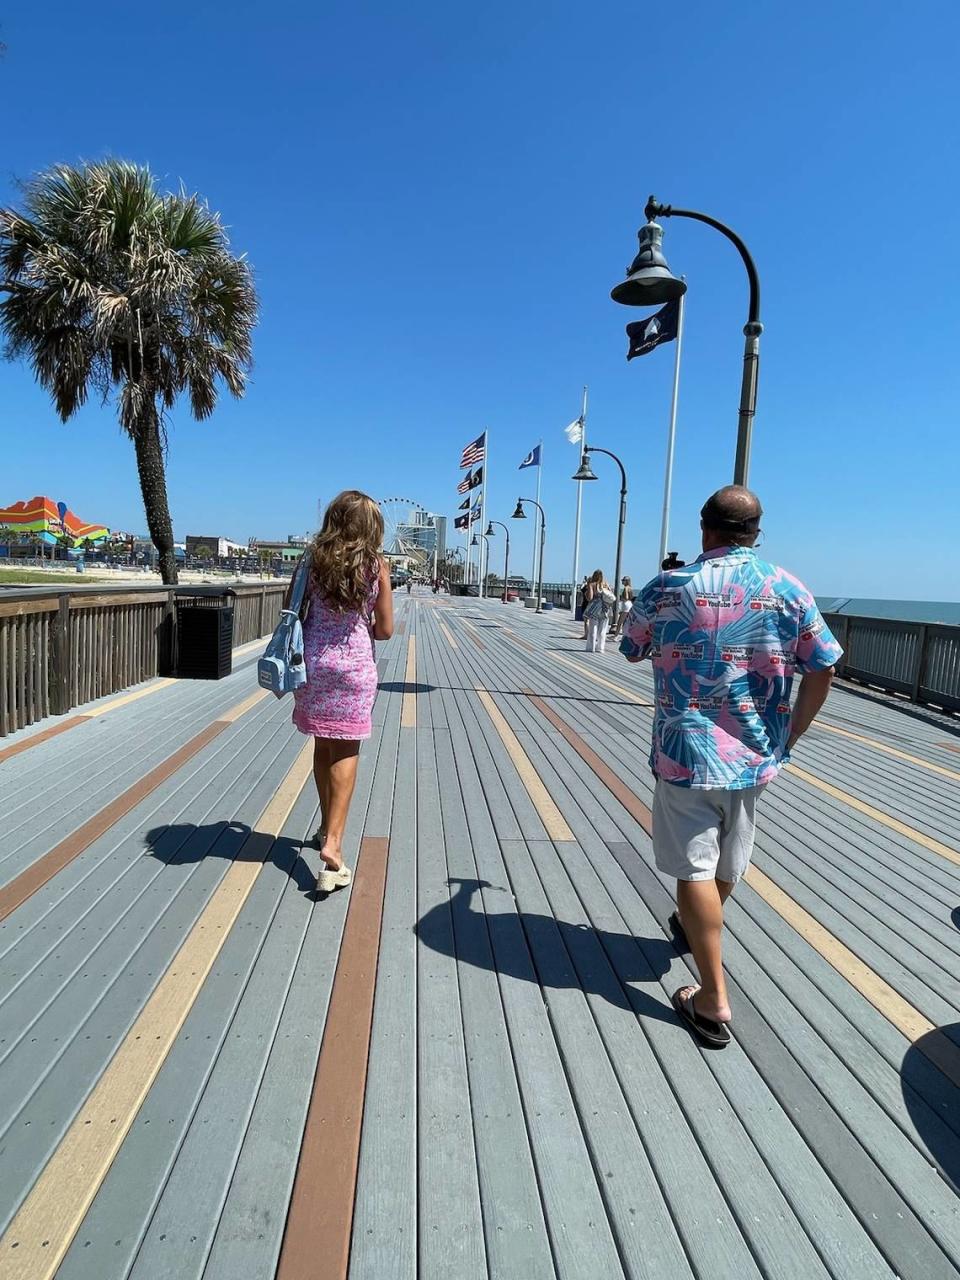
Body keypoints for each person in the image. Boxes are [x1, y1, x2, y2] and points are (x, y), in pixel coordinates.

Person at [620, 486, 841, 1047]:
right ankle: (699, 924)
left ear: (704, 528)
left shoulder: (668, 587)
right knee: (727, 862)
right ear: (755, 532)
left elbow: (630, 645)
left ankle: (713, 999)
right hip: (753, 755)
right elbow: (824, 667)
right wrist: (793, 731)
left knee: (692, 869)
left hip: (683, 751)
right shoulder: (787, 588)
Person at [291, 491, 394, 894]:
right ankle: (333, 844)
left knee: (323, 747)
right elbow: (384, 630)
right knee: (347, 751)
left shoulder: (312, 559)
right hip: (354, 669)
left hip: (314, 664)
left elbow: (292, 611)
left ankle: (324, 825)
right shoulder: (376, 567)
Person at [583, 569, 614, 653]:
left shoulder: (592, 584)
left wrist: (589, 586)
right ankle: (600, 648)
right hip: (605, 609)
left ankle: (591, 647)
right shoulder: (606, 585)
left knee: (593, 629)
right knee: (602, 630)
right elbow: (611, 596)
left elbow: (590, 597)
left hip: (594, 610)